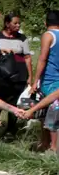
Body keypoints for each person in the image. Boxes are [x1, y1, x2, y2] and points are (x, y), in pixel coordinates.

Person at [0, 13, 32, 138]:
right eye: (15, 23)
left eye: (19, 23)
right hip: (1, 74)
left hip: (19, 74)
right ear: (7, 24)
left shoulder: (22, 38)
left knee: (14, 101)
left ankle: (11, 131)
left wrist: (30, 76)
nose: (18, 25)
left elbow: (27, 57)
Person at [32, 10, 59, 151]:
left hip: (50, 80)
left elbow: (42, 59)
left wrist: (35, 81)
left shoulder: (48, 36)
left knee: (50, 111)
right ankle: (45, 143)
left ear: (45, 23)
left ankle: (52, 147)